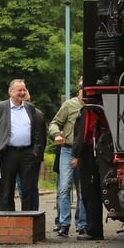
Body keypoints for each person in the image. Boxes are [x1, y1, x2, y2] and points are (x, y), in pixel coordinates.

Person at [0, 78, 46, 212]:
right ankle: (7, 220)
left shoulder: (30, 108)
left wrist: (35, 151)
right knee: (6, 190)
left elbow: (37, 132)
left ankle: (28, 219)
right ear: (10, 92)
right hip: (7, 153)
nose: (22, 93)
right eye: (19, 90)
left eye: (24, 90)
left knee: (28, 190)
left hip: (27, 153)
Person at [48, 79, 85, 238]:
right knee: (64, 188)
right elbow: (54, 123)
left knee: (84, 191)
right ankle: (64, 223)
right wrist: (57, 134)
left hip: (84, 152)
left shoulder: (94, 105)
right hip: (67, 150)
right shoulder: (69, 105)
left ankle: (82, 224)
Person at [71, 106, 104, 240]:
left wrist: (76, 153)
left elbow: (83, 134)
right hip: (99, 152)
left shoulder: (88, 111)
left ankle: (94, 230)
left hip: (89, 154)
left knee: (89, 193)